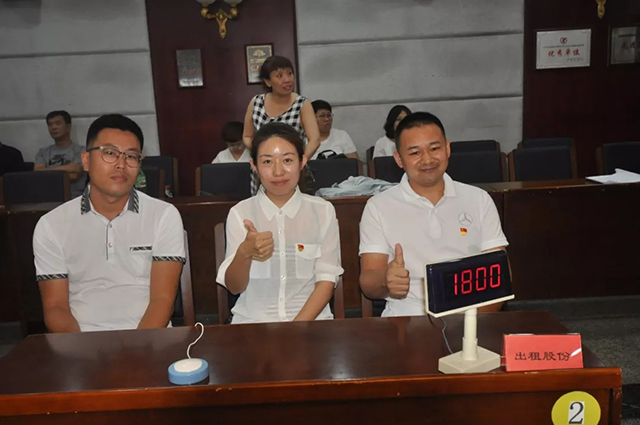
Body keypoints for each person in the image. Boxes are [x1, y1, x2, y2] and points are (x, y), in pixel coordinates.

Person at [33, 114, 185, 332]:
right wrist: (83, 350)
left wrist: (138, 347)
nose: (121, 164)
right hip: (81, 340)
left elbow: (162, 300)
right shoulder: (51, 225)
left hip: (149, 337)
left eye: (131, 156)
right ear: (86, 160)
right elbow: (55, 307)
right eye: (110, 153)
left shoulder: (163, 215)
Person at [359, 112, 508, 317]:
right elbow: (368, 281)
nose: (427, 159)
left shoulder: (479, 199)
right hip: (407, 317)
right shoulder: (378, 206)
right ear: (399, 159)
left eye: (435, 148)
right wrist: (386, 279)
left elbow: (500, 275)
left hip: (471, 316)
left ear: (447, 148)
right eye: (415, 153)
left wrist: (470, 322)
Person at [216, 122, 343, 324]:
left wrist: (293, 331)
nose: (278, 171)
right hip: (253, 324)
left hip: (311, 325)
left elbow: (326, 280)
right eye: (267, 161)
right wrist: (244, 253)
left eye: (287, 160)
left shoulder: (322, 211)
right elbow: (234, 287)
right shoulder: (241, 213)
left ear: (302, 162)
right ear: (254, 166)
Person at [242, 56, 320, 194]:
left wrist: (298, 162)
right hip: (264, 172)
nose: (287, 79)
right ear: (267, 81)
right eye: (279, 76)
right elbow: (247, 136)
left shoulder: (302, 104)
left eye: (290, 74)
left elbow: (315, 140)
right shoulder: (256, 102)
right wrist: (261, 153)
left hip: (293, 172)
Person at [34, 110, 87, 197]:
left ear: (68, 127)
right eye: (50, 125)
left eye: (58, 123)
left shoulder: (81, 150)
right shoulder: (43, 152)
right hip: (48, 198)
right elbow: (37, 173)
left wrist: (47, 171)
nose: (53, 127)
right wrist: (68, 169)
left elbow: (75, 174)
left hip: (75, 197)